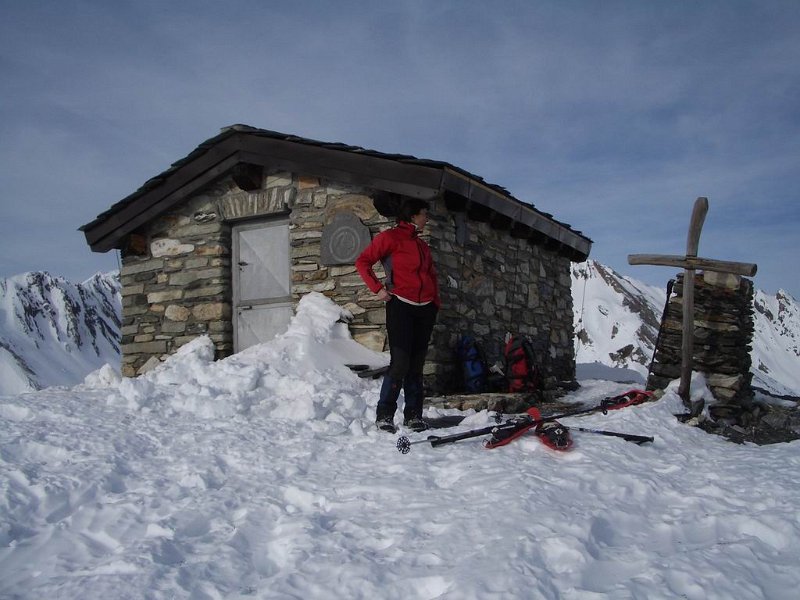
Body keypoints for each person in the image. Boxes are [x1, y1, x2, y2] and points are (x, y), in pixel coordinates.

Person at [355, 199, 440, 433]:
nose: (426, 218)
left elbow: (431, 275)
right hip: (401, 306)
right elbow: (363, 262)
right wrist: (378, 289)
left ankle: (414, 416)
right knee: (400, 362)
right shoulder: (390, 238)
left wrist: (435, 303)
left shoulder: (422, 246)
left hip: (425, 309)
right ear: (412, 216)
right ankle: (384, 415)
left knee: (416, 365)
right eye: (424, 214)